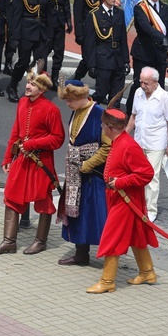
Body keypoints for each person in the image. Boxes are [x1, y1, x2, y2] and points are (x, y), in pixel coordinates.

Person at [0, 69, 65, 255]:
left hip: (41, 161)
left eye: (33, 84)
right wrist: (8, 157)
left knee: (43, 201)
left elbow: (58, 138)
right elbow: (16, 132)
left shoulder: (51, 110)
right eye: (28, 83)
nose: (28, 86)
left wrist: (33, 143)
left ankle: (40, 241)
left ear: (43, 89)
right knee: (12, 196)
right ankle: (9, 242)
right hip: (22, 159)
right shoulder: (22, 102)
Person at [86, 107, 158, 294]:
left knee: (111, 237)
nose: (101, 127)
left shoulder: (128, 145)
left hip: (126, 200)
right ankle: (147, 272)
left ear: (109, 127)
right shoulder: (118, 142)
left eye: (103, 125)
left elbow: (146, 174)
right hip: (119, 198)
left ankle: (108, 281)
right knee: (136, 235)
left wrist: (120, 182)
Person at [56, 80, 109, 266]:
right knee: (78, 213)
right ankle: (81, 254)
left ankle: (110, 256)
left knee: (96, 214)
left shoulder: (99, 114)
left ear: (79, 97)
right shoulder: (76, 111)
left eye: (70, 100)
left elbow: (107, 147)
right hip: (75, 172)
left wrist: (88, 164)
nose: (67, 104)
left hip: (93, 174)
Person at [126, 67, 168, 223]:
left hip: (156, 143)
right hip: (139, 141)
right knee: (135, 174)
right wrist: (124, 134)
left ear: (155, 82)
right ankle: (138, 205)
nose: (142, 85)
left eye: (146, 83)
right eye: (141, 82)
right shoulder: (138, 93)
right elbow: (134, 116)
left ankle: (151, 209)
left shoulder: (164, 98)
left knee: (152, 177)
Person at [5, 0, 55, 103]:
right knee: (23, 62)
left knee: (40, 63)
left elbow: (49, 14)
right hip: (26, 31)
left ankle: (35, 90)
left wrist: (50, 34)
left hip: (41, 32)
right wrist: (15, 36)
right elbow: (17, 15)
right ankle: (12, 86)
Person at [126, 0, 168, 116]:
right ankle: (130, 112)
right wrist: (161, 38)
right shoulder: (141, 8)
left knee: (159, 87)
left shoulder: (165, 8)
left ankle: (156, 114)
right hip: (144, 54)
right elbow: (145, 27)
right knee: (140, 86)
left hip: (159, 55)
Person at [82, 0, 130, 106]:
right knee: (101, 93)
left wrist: (126, 60)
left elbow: (123, 39)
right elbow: (90, 43)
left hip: (118, 58)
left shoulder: (119, 13)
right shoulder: (94, 15)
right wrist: (91, 64)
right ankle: (89, 111)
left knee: (117, 95)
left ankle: (112, 121)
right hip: (103, 59)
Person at [72, 0, 107, 80]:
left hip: (103, 30)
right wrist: (79, 34)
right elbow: (78, 12)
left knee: (101, 58)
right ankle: (75, 79)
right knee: (88, 58)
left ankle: (100, 87)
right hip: (88, 31)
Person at [41, 0, 72, 87]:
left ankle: (54, 77)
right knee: (45, 49)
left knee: (59, 51)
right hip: (48, 20)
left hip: (59, 19)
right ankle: (42, 76)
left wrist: (69, 20)